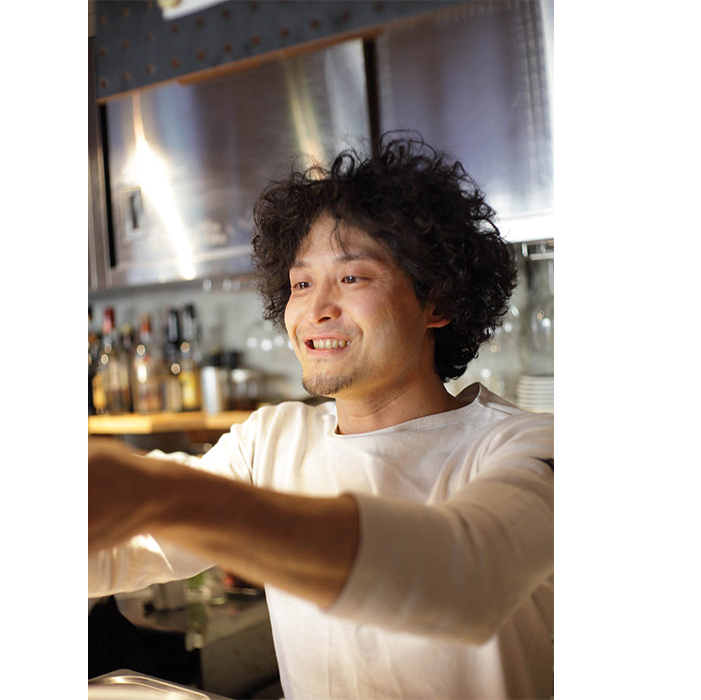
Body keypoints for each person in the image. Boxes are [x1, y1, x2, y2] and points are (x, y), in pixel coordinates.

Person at [89, 135, 554, 699]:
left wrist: (161, 494)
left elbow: (466, 576)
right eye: (301, 283)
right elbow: (121, 548)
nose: (316, 309)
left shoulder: (529, 447)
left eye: (352, 278)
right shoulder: (270, 441)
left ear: (439, 301)